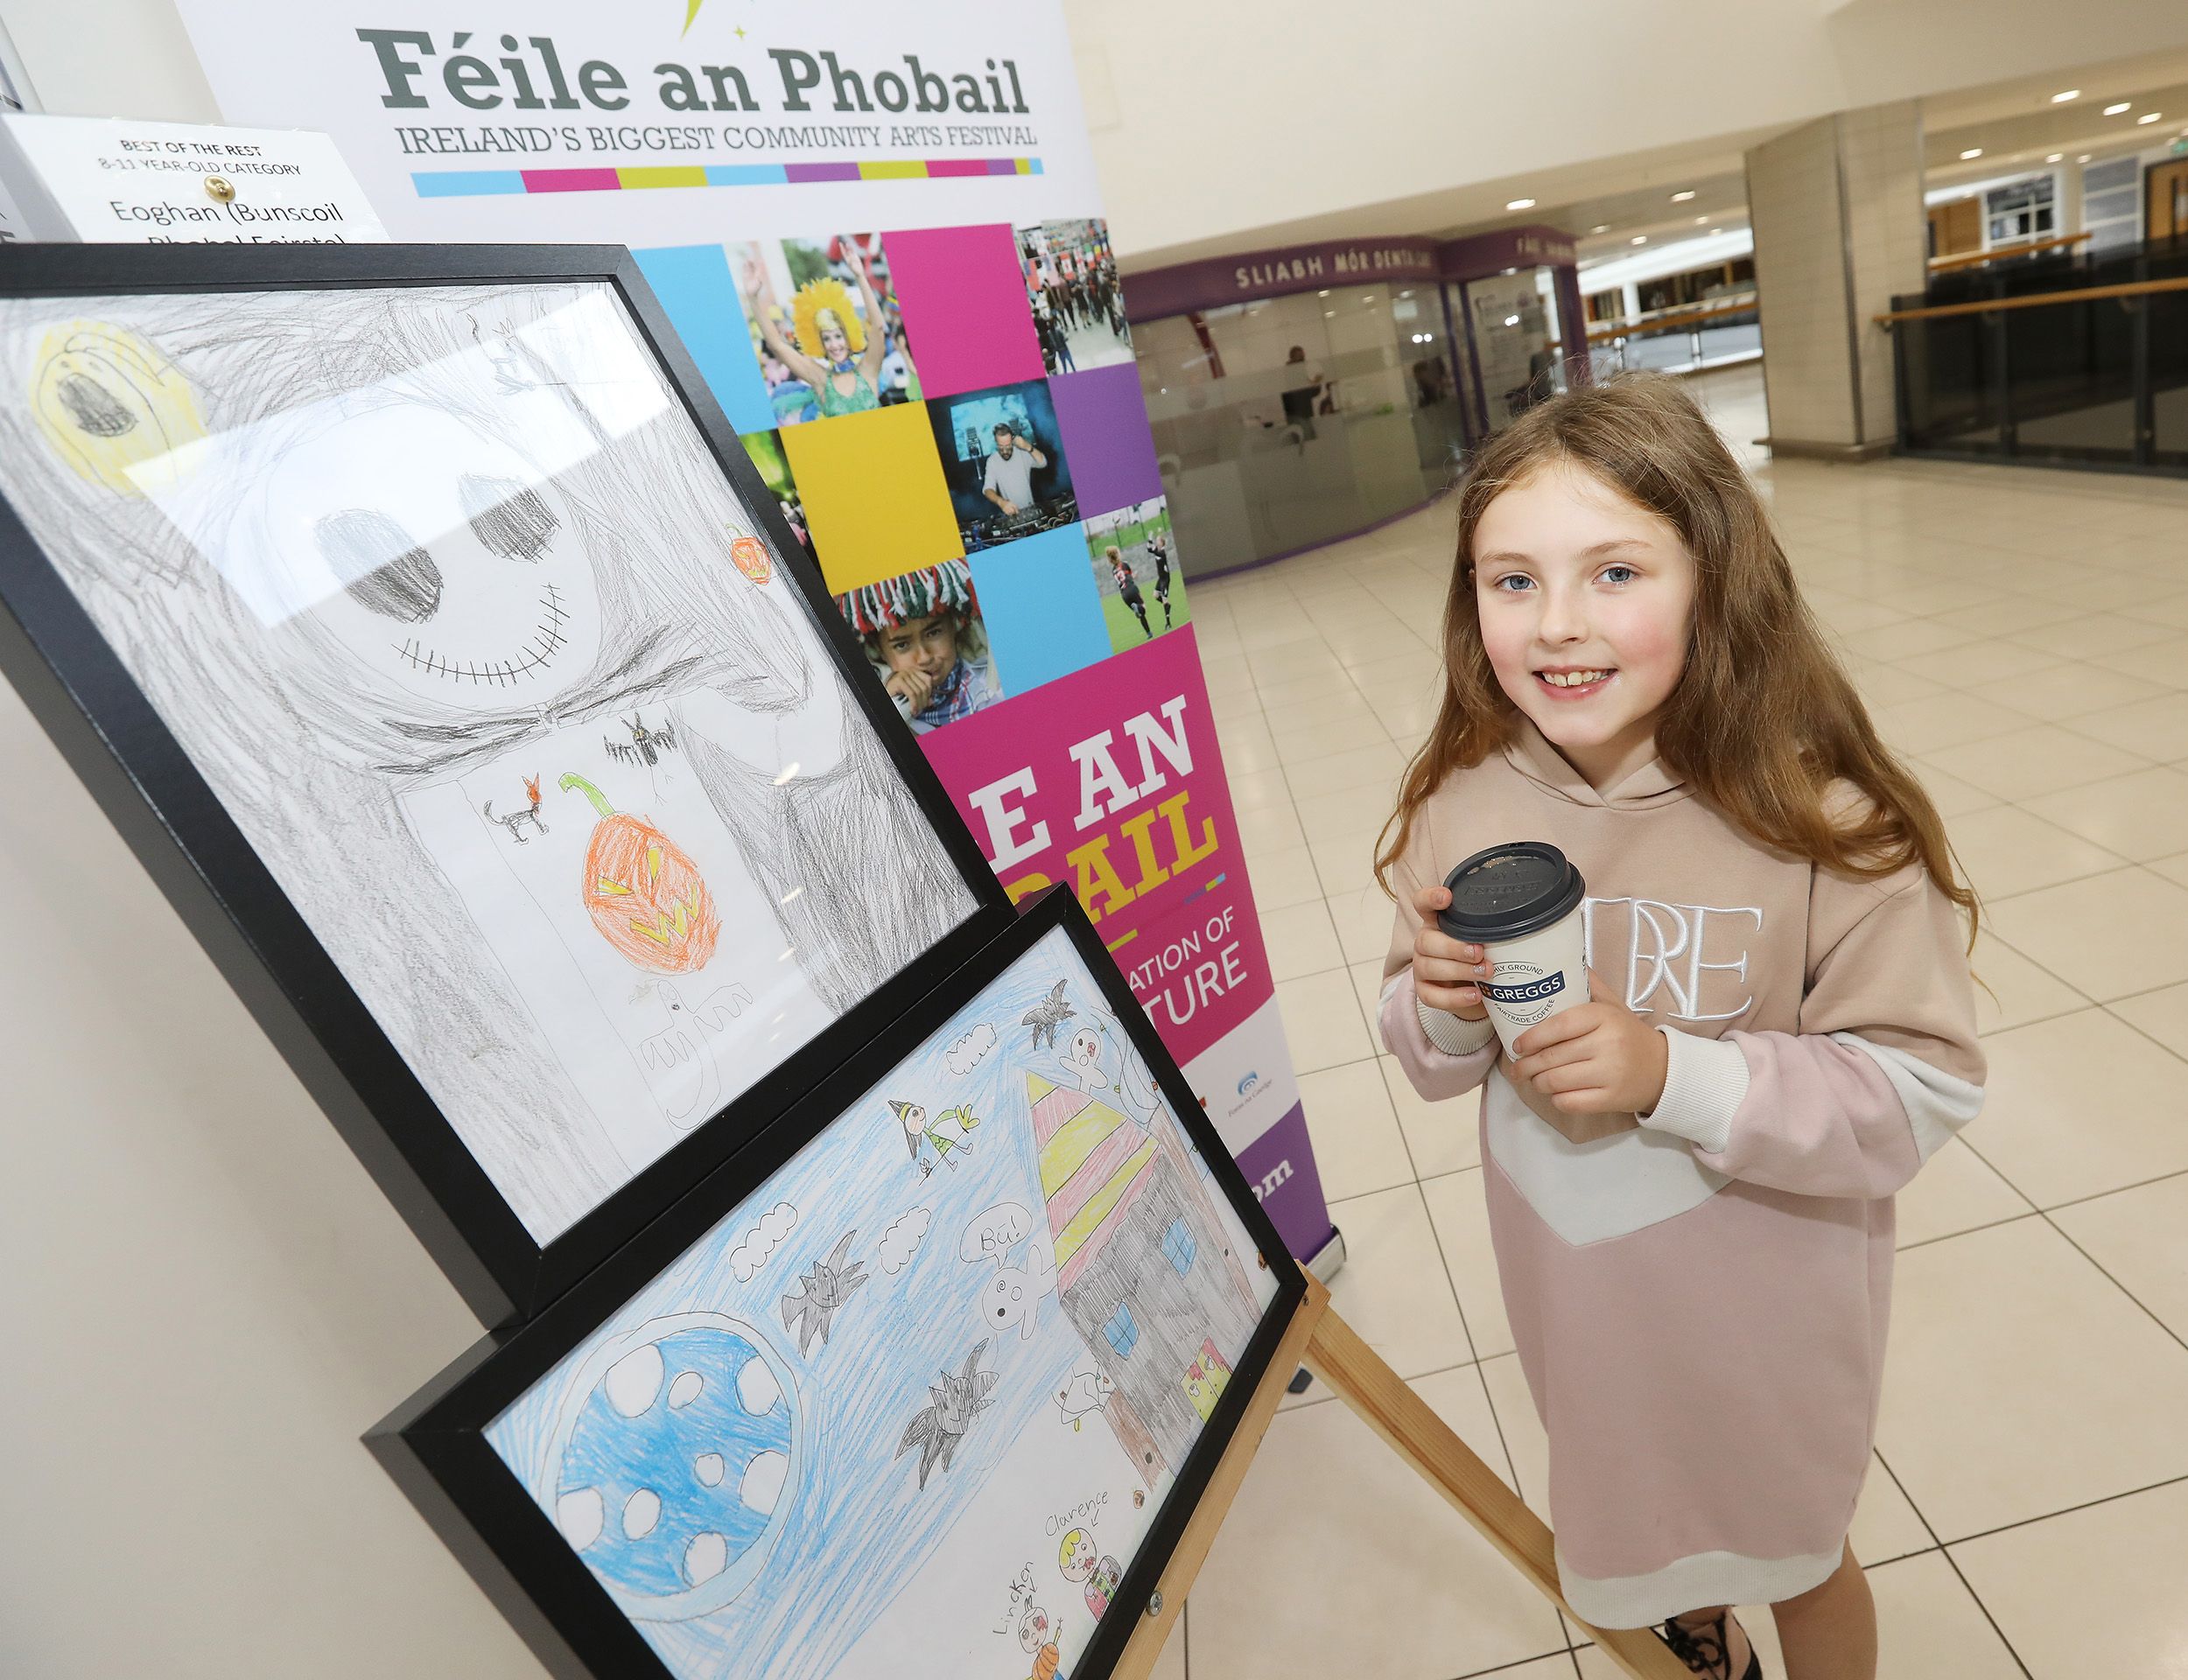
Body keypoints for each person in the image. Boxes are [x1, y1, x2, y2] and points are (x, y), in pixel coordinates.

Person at [1376, 374, 1982, 1680]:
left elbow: (1917, 1091)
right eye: (1513, 581)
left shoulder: (1823, 821)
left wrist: (1670, 1072)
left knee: (1796, 1556)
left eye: (1614, 572)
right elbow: (1426, 1059)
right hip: (1583, 1314)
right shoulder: (1460, 803)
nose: (1557, 624)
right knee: (1653, 1556)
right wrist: (1438, 1004)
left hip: (1766, 1316)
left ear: (1717, 576)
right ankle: (1704, 1646)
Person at [740, 237, 893, 420]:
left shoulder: (869, 369)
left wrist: (860, 276)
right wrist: (753, 299)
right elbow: (777, 346)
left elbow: (877, 327)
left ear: (848, 337)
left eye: (838, 336)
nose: (834, 344)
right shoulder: (821, 380)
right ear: (820, 344)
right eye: (826, 338)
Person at [839, 560, 999, 733]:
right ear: (879, 651)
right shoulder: (871, 708)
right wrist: (888, 707)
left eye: (933, 633)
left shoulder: (994, 683)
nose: (924, 657)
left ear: (954, 625)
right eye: (902, 645)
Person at [982, 422, 1048, 521]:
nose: (1005, 451)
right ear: (996, 442)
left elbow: (1043, 463)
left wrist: (1027, 446)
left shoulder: (1022, 452)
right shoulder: (992, 461)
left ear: (1013, 440)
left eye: (1008, 446)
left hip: (1031, 511)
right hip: (1012, 515)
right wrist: (1001, 502)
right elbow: (987, 489)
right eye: (1001, 446)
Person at [1106, 545, 1151, 638]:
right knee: (1143, 608)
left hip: (1124, 595)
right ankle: (1138, 607)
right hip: (1132, 589)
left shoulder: (1113, 570)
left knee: (1140, 614)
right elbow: (1130, 576)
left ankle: (1149, 633)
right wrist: (1135, 575)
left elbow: (1122, 580)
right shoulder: (1124, 564)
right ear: (1118, 554)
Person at [1144, 527, 1174, 628]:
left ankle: (1168, 623)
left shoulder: (1162, 553)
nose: (1156, 542)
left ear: (1161, 543)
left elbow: (1154, 550)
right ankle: (1167, 605)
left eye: (1157, 540)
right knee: (1156, 595)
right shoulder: (1158, 550)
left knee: (1164, 599)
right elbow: (1149, 549)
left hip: (1165, 579)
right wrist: (1149, 539)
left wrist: (1151, 540)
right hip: (1160, 579)